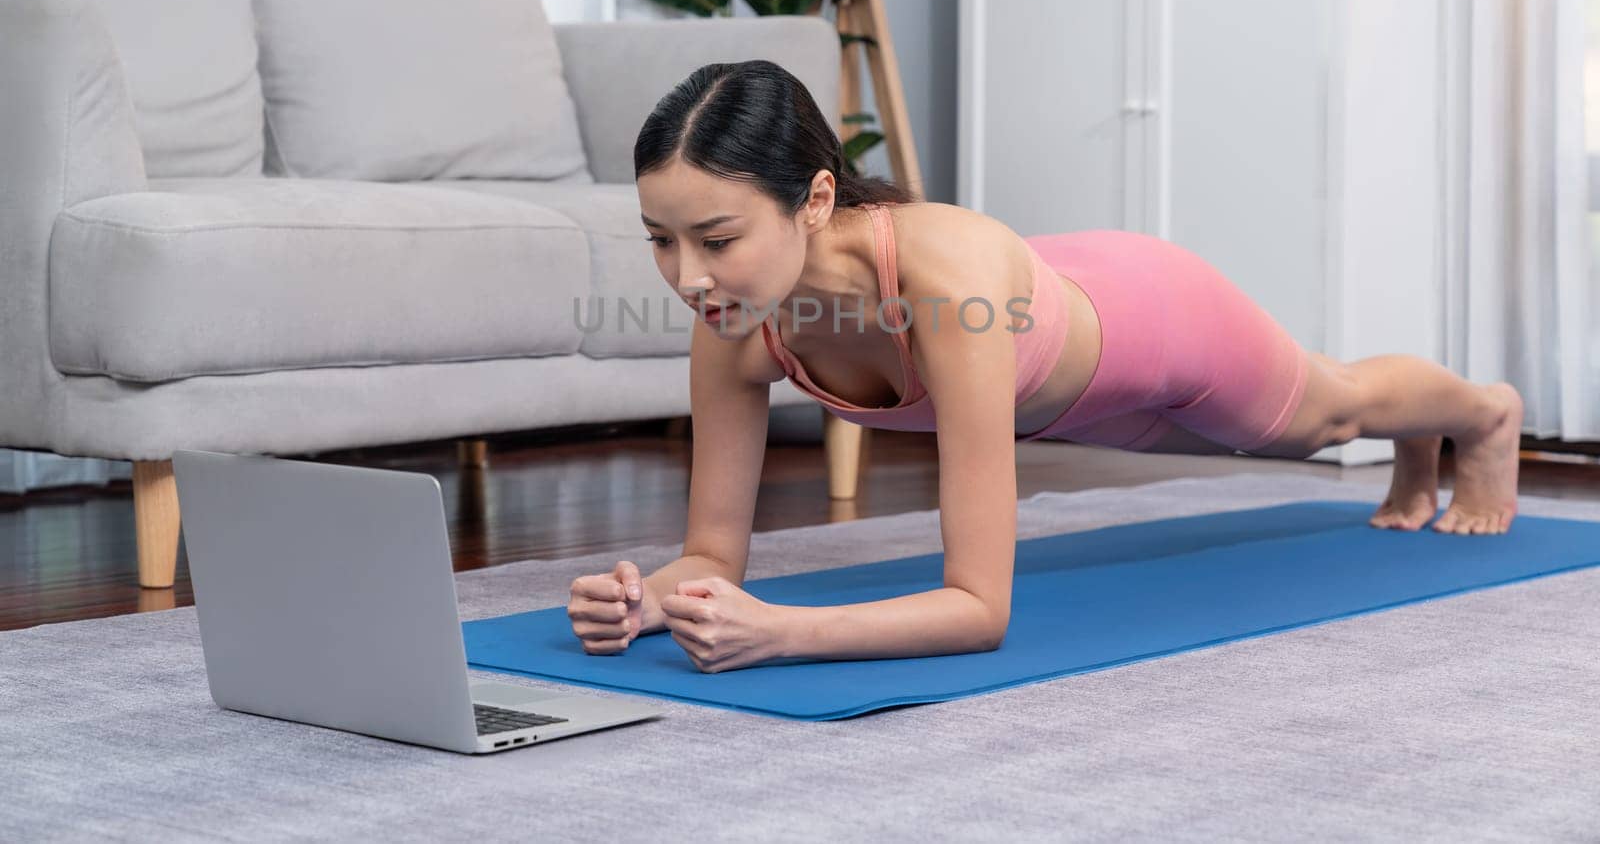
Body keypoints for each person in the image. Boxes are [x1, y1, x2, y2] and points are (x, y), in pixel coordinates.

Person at [565, 59, 1524, 673]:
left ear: (815, 199)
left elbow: (979, 608)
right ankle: (1421, 447)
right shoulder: (733, 313)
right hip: (1061, 397)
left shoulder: (943, 282)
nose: (688, 277)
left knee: (1325, 416)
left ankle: (1480, 416)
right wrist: (646, 598)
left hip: (1153, 324)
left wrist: (782, 631)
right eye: (660, 240)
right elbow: (711, 556)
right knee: (1318, 424)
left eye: (717, 237)